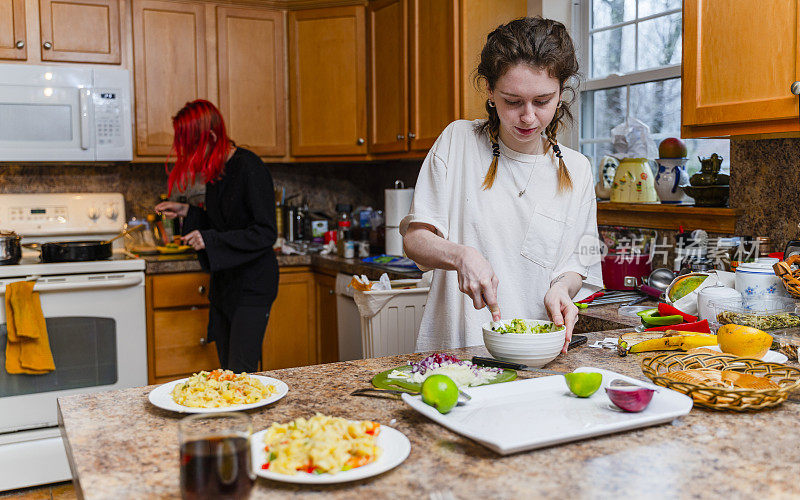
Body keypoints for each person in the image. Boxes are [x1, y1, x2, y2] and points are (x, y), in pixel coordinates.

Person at [401, 17, 603, 353]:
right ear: (490, 91)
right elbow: (415, 240)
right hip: (455, 352)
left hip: (537, 354)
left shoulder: (577, 170)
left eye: (542, 101)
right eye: (513, 101)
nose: (527, 117)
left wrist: (561, 289)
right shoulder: (458, 141)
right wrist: (460, 255)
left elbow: (576, 268)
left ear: (561, 92)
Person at [155, 99, 279, 373]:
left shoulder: (249, 168)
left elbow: (265, 232)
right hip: (226, 284)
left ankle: (247, 417)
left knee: (240, 371)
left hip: (253, 285)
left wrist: (210, 240)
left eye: (189, 145)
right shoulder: (216, 173)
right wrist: (187, 211)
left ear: (211, 137)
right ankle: (232, 417)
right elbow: (222, 223)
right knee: (226, 371)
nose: (184, 153)